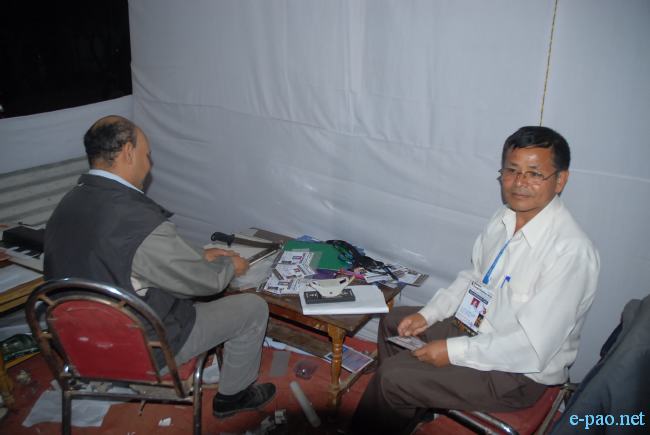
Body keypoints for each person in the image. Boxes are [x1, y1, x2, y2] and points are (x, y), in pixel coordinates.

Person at [349, 126, 600, 434]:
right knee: (394, 322)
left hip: (518, 373)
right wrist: (429, 314)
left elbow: (531, 349)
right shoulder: (504, 218)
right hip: (476, 327)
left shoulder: (570, 252)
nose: (520, 182)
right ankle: (410, 410)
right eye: (511, 170)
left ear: (560, 180)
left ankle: (398, 394)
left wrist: (452, 351)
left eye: (535, 174)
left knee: (393, 376)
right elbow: (475, 277)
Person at [44, 115, 276, 418]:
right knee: (252, 308)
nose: (149, 164)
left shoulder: (69, 203)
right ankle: (234, 398)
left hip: (81, 344)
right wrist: (230, 265)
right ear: (128, 152)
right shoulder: (134, 220)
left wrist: (198, 254)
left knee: (186, 275)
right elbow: (205, 283)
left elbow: (117, 256)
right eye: (147, 155)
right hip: (141, 347)